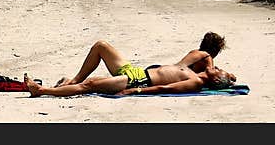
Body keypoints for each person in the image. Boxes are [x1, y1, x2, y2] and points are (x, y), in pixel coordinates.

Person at [25, 37, 235, 97]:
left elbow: (165, 89)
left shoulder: (196, 81)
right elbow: (207, 57)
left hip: (138, 80)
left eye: (218, 70)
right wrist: (230, 77)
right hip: (135, 71)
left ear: (215, 79)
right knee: (101, 46)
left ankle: (42, 91)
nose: (216, 67)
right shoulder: (194, 65)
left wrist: (134, 90)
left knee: (91, 85)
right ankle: (73, 80)